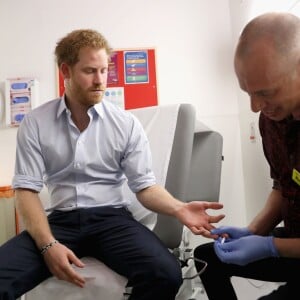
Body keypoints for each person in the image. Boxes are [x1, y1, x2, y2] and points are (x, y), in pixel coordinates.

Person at [0, 29, 225, 300]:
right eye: (90, 71)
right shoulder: (36, 123)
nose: (100, 81)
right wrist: (48, 245)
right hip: (61, 221)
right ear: (66, 71)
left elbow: (145, 187)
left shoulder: (126, 124)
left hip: (112, 220)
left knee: (165, 273)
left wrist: (179, 208)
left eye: (104, 71)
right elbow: (26, 191)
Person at [194, 12, 300, 300]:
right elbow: (283, 187)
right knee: (207, 258)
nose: (255, 107)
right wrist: (253, 232)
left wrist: (271, 247)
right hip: (294, 244)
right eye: (248, 93)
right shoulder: (273, 120)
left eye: (265, 92)